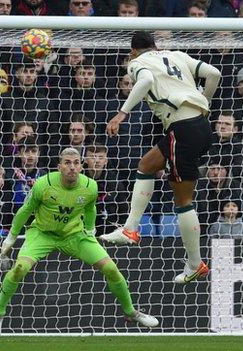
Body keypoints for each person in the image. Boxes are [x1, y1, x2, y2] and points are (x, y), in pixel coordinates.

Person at [0, 147, 158, 337]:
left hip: (75, 235)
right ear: (59, 166)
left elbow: (91, 208)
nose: (72, 167)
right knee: (19, 269)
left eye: (76, 163)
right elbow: (25, 211)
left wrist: (90, 230)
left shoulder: (90, 185)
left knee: (110, 269)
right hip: (42, 234)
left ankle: (131, 312)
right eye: (67, 163)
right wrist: (11, 237)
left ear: (81, 166)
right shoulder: (43, 184)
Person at [100, 31, 221, 284]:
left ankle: (195, 264)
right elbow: (214, 74)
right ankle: (130, 229)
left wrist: (121, 114)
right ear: (156, 46)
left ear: (133, 51)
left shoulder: (138, 63)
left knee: (183, 202)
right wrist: (204, 103)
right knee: (146, 165)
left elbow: (144, 82)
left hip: (183, 129)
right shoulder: (175, 54)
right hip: (197, 126)